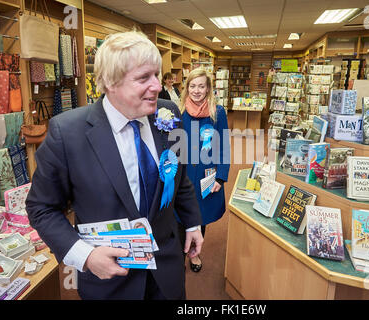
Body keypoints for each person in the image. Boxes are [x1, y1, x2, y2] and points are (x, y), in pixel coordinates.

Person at [25, 30, 203, 300]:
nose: (157, 86)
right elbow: (42, 208)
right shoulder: (67, 133)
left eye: (156, 74)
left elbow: (181, 177)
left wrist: (192, 223)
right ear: (110, 82)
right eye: (144, 78)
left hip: (167, 273)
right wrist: (85, 256)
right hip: (109, 282)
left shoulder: (169, 114)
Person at [178, 68, 230, 272]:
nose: (197, 90)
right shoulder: (179, 110)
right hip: (182, 174)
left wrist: (221, 177)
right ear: (187, 87)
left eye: (201, 86)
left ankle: (194, 253)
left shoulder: (217, 112)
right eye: (192, 86)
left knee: (200, 217)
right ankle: (180, 255)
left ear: (208, 88)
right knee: (180, 217)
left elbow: (224, 145)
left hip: (206, 175)